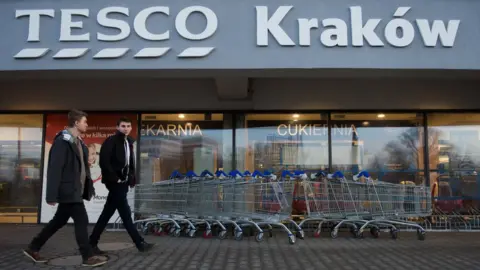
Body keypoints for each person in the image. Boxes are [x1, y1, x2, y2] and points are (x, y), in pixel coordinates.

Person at [23, 109, 107, 267]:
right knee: (82, 220)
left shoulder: (78, 141)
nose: (86, 125)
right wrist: (51, 195)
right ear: (76, 123)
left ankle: (33, 247)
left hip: (75, 189)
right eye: (84, 122)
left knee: (58, 221)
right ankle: (87, 256)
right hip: (69, 190)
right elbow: (55, 168)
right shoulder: (63, 141)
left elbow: (79, 164)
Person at [89, 117, 154, 254]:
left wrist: (130, 178)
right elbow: (104, 162)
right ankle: (139, 243)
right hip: (114, 183)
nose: (126, 128)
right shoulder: (111, 141)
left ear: (131, 128)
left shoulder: (129, 142)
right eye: (123, 126)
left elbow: (130, 163)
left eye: (128, 126)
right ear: (117, 127)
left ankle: (91, 243)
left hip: (123, 183)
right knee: (125, 214)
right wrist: (115, 179)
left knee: (106, 214)